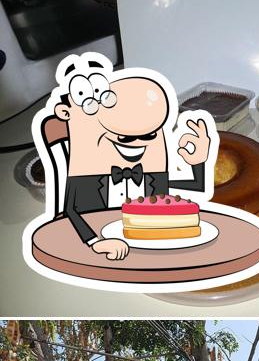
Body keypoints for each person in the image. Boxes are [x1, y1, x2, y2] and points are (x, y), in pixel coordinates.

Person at [50, 54, 213, 260]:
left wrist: (197, 161)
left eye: (149, 135)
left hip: (152, 249)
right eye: (125, 137)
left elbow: (193, 190)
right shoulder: (86, 175)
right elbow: (71, 212)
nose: (137, 143)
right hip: (95, 253)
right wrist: (95, 242)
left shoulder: (152, 170)